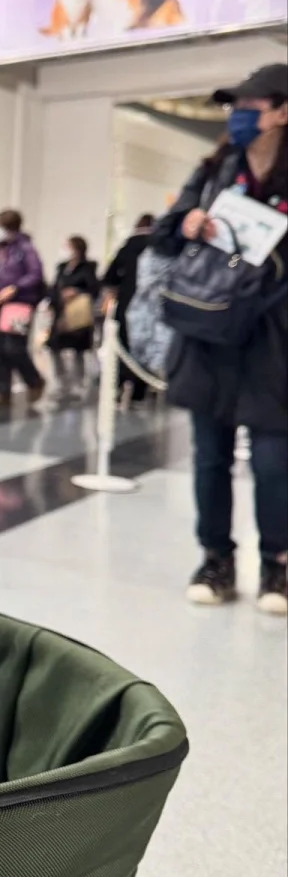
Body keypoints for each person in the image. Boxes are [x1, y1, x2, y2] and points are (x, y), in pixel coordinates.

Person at [150, 62, 288, 614]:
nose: (238, 116)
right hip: (208, 332)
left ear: (283, 112)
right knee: (210, 457)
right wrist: (186, 223)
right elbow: (162, 238)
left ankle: (277, 562)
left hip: (273, 342)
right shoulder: (214, 170)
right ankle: (216, 558)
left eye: (251, 107)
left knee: (274, 461)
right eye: (234, 107)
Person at [0, 209, 46, 408]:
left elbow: (35, 274)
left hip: (19, 304)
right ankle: (1, 390)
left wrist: (15, 287)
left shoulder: (25, 248)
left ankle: (34, 380)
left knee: (13, 347)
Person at [102, 214, 156, 403]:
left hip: (126, 303)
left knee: (122, 345)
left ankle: (118, 386)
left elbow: (109, 277)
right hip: (150, 306)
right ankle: (139, 391)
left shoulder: (127, 247)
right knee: (144, 347)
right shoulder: (158, 247)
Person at [47, 235, 100, 400]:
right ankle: (62, 382)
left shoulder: (87, 268)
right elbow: (55, 287)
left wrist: (77, 291)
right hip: (61, 312)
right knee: (54, 347)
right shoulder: (62, 268)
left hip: (78, 314)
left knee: (78, 349)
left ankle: (78, 384)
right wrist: (52, 302)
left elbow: (94, 288)